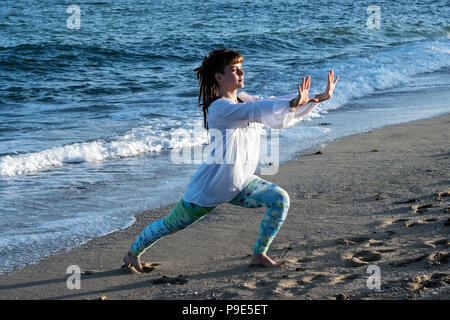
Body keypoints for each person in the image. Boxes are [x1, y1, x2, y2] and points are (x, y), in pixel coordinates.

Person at [123, 49, 339, 271]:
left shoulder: (243, 98)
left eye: (241, 68)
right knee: (170, 225)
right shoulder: (220, 108)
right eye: (235, 70)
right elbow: (258, 109)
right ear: (219, 76)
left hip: (241, 181)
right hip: (212, 186)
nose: (242, 73)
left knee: (280, 200)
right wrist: (294, 103)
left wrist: (316, 98)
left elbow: (271, 102)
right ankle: (133, 253)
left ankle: (259, 254)